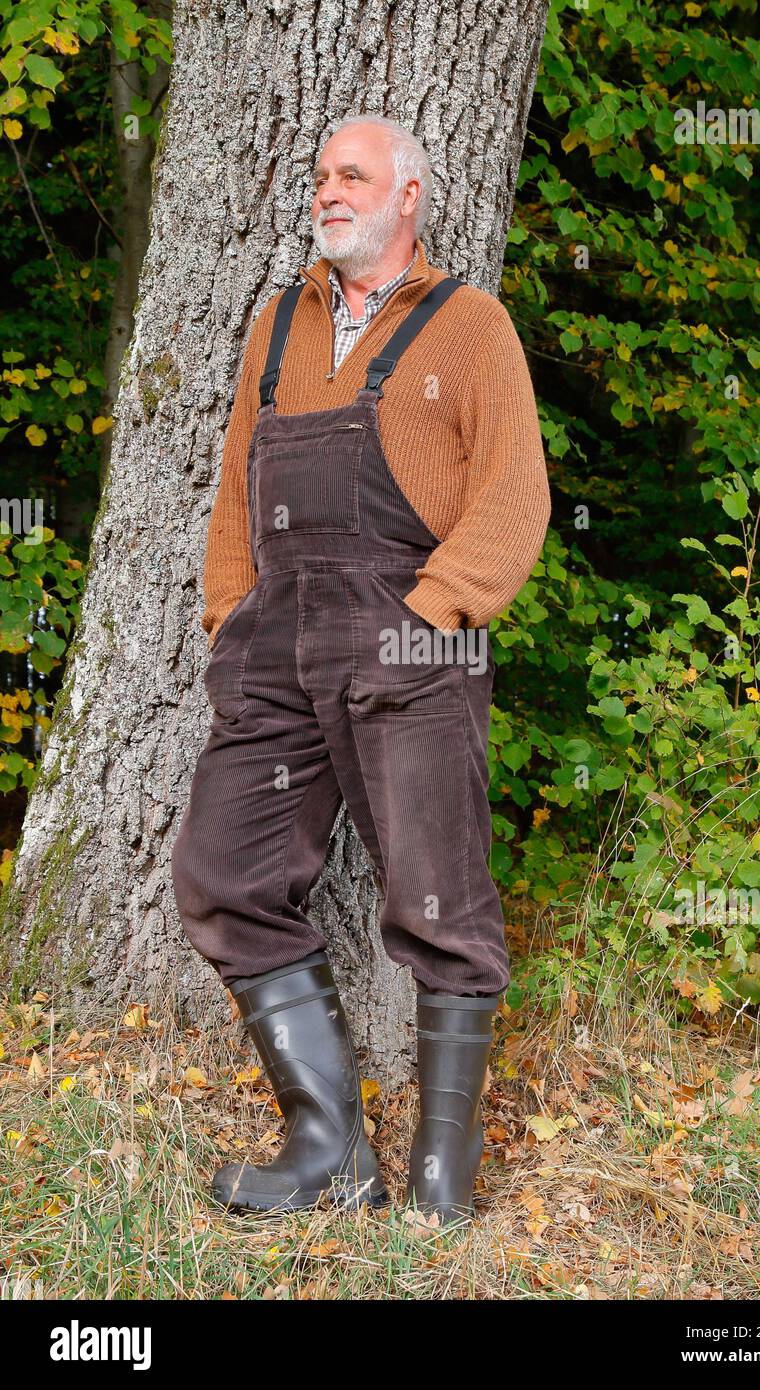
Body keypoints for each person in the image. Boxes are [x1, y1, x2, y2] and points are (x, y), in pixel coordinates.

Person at [171, 113, 551, 1226]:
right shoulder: (277, 323)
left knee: (439, 898)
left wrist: (432, 617)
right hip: (278, 643)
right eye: (322, 174)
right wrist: (228, 617)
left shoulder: (468, 326)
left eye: (354, 175)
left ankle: (440, 1177)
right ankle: (329, 1147)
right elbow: (240, 483)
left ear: (408, 196)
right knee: (221, 871)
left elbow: (514, 496)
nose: (330, 191)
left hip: (408, 640)